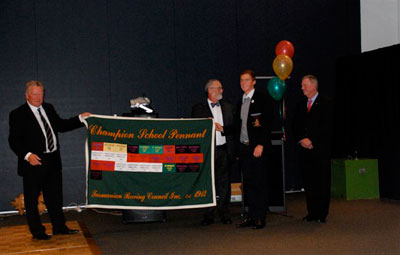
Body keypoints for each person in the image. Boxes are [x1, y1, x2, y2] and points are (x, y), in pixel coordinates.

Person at [8, 81, 90, 240]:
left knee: (55, 197)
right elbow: (14, 140)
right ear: (27, 95)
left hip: (53, 160)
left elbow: (61, 125)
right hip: (34, 162)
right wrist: (27, 155)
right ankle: (38, 232)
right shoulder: (17, 113)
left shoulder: (49, 108)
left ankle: (59, 227)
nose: (39, 97)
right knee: (32, 199)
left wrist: (80, 118)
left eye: (41, 94)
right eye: (35, 94)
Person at [191, 79, 235, 226]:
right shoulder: (199, 108)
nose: (221, 91)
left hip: (224, 150)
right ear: (210, 90)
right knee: (208, 184)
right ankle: (208, 215)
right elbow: (195, 125)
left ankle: (224, 213)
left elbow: (234, 126)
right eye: (218, 88)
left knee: (224, 183)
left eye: (221, 88)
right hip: (208, 151)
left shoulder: (228, 107)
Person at [235, 70, 273, 229]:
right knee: (248, 183)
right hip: (244, 148)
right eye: (241, 80)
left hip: (257, 147)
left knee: (259, 182)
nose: (243, 83)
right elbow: (238, 126)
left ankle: (260, 217)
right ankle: (251, 216)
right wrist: (221, 128)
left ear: (254, 82)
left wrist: (261, 144)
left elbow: (268, 123)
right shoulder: (241, 101)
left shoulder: (262, 98)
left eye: (246, 80)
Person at [293, 75, 333, 223]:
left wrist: (313, 141)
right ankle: (312, 212)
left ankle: (322, 213)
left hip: (320, 150)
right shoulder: (300, 104)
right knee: (309, 183)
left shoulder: (326, 103)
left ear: (313, 86)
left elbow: (327, 126)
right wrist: (301, 139)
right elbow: (295, 125)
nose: (302, 88)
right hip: (304, 151)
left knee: (322, 182)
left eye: (304, 85)